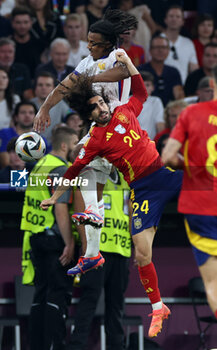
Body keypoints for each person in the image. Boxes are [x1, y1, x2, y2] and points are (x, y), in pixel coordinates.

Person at [40, 52, 182, 338]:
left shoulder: (124, 111)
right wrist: (55, 198)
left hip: (163, 177)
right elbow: (73, 171)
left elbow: (140, 91)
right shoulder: (93, 142)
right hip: (142, 192)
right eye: (95, 107)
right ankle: (158, 307)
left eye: (102, 102)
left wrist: (129, 65)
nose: (102, 108)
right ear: (88, 115)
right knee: (142, 255)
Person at [34, 8, 137, 275]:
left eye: (94, 43)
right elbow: (64, 85)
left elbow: (123, 73)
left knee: (80, 156)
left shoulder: (117, 55)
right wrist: (44, 108)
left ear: (107, 44)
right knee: (92, 189)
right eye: (88, 41)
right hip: (101, 126)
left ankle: (92, 239)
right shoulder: (86, 62)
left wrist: (89, 79)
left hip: (119, 125)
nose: (88, 46)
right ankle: (92, 253)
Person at [161, 65, 217, 319]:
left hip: (200, 207)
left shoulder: (191, 113)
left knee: (213, 281)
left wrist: (193, 166)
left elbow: (167, 156)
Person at [20, 125, 79, 350]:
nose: (76, 149)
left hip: (35, 238)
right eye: (75, 144)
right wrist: (69, 243)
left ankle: (37, 345)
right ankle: (56, 345)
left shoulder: (38, 166)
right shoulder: (61, 170)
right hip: (55, 241)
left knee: (40, 295)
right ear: (64, 145)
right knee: (58, 295)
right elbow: (60, 209)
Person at [67, 168, 131, 350]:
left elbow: (134, 213)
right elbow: (79, 208)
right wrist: (86, 244)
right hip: (97, 249)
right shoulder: (92, 175)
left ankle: (116, 346)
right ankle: (76, 346)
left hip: (121, 249)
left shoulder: (128, 179)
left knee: (116, 305)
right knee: (89, 302)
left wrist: (139, 245)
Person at [140, 35, 184, 106]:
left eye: (163, 47)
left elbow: (179, 96)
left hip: (168, 112)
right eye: (157, 47)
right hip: (145, 110)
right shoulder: (140, 70)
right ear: (150, 50)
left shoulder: (173, 72)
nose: (160, 50)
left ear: (168, 50)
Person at [31, 71, 70, 147]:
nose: (43, 88)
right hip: (33, 144)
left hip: (54, 145)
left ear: (53, 88)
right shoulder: (29, 105)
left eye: (48, 85)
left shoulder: (61, 104)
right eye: (40, 85)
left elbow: (71, 118)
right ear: (35, 88)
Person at [162, 5, 199, 84]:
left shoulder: (188, 43)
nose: (174, 19)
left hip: (183, 88)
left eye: (178, 16)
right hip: (161, 87)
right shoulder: (156, 41)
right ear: (165, 20)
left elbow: (194, 70)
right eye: (171, 16)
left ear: (183, 21)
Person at [0, 101, 38, 168]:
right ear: (16, 117)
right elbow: (5, 163)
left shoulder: (40, 139)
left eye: (31, 113)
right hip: (9, 175)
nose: (27, 115)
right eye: (23, 112)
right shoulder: (4, 133)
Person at [10, 6, 44, 79]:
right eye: (18, 22)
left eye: (26, 22)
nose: (22, 26)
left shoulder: (39, 44)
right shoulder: (8, 45)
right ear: (12, 23)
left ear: (31, 23)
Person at [137, 70, 165, 140]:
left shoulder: (155, 101)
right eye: (141, 85)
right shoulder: (127, 100)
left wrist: (160, 143)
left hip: (150, 143)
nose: (144, 88)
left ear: (153, 87)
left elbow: (160, 124)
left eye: (147, 85)